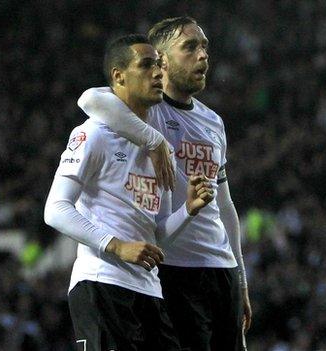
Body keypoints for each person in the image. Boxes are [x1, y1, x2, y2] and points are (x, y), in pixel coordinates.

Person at [78, 16, 251, 351]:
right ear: (162, 61)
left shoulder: (213, 122)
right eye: (190, 47)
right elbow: (89, 100)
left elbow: (225, 206)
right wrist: (153, 140)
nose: (203, 55)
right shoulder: (145, 112)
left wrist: (241, 279)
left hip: (222, 268)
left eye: (204, 47)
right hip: (174, 267)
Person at [44, 34, 214, 351]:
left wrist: (188, 210)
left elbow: (155, 237)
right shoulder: (93, 133)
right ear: (119, 76)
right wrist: (118, 246)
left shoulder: (162, 150)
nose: (158, 73)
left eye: (160, 65)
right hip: (102, 283)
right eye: (146, 65)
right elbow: (55, 209)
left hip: (149, 289)